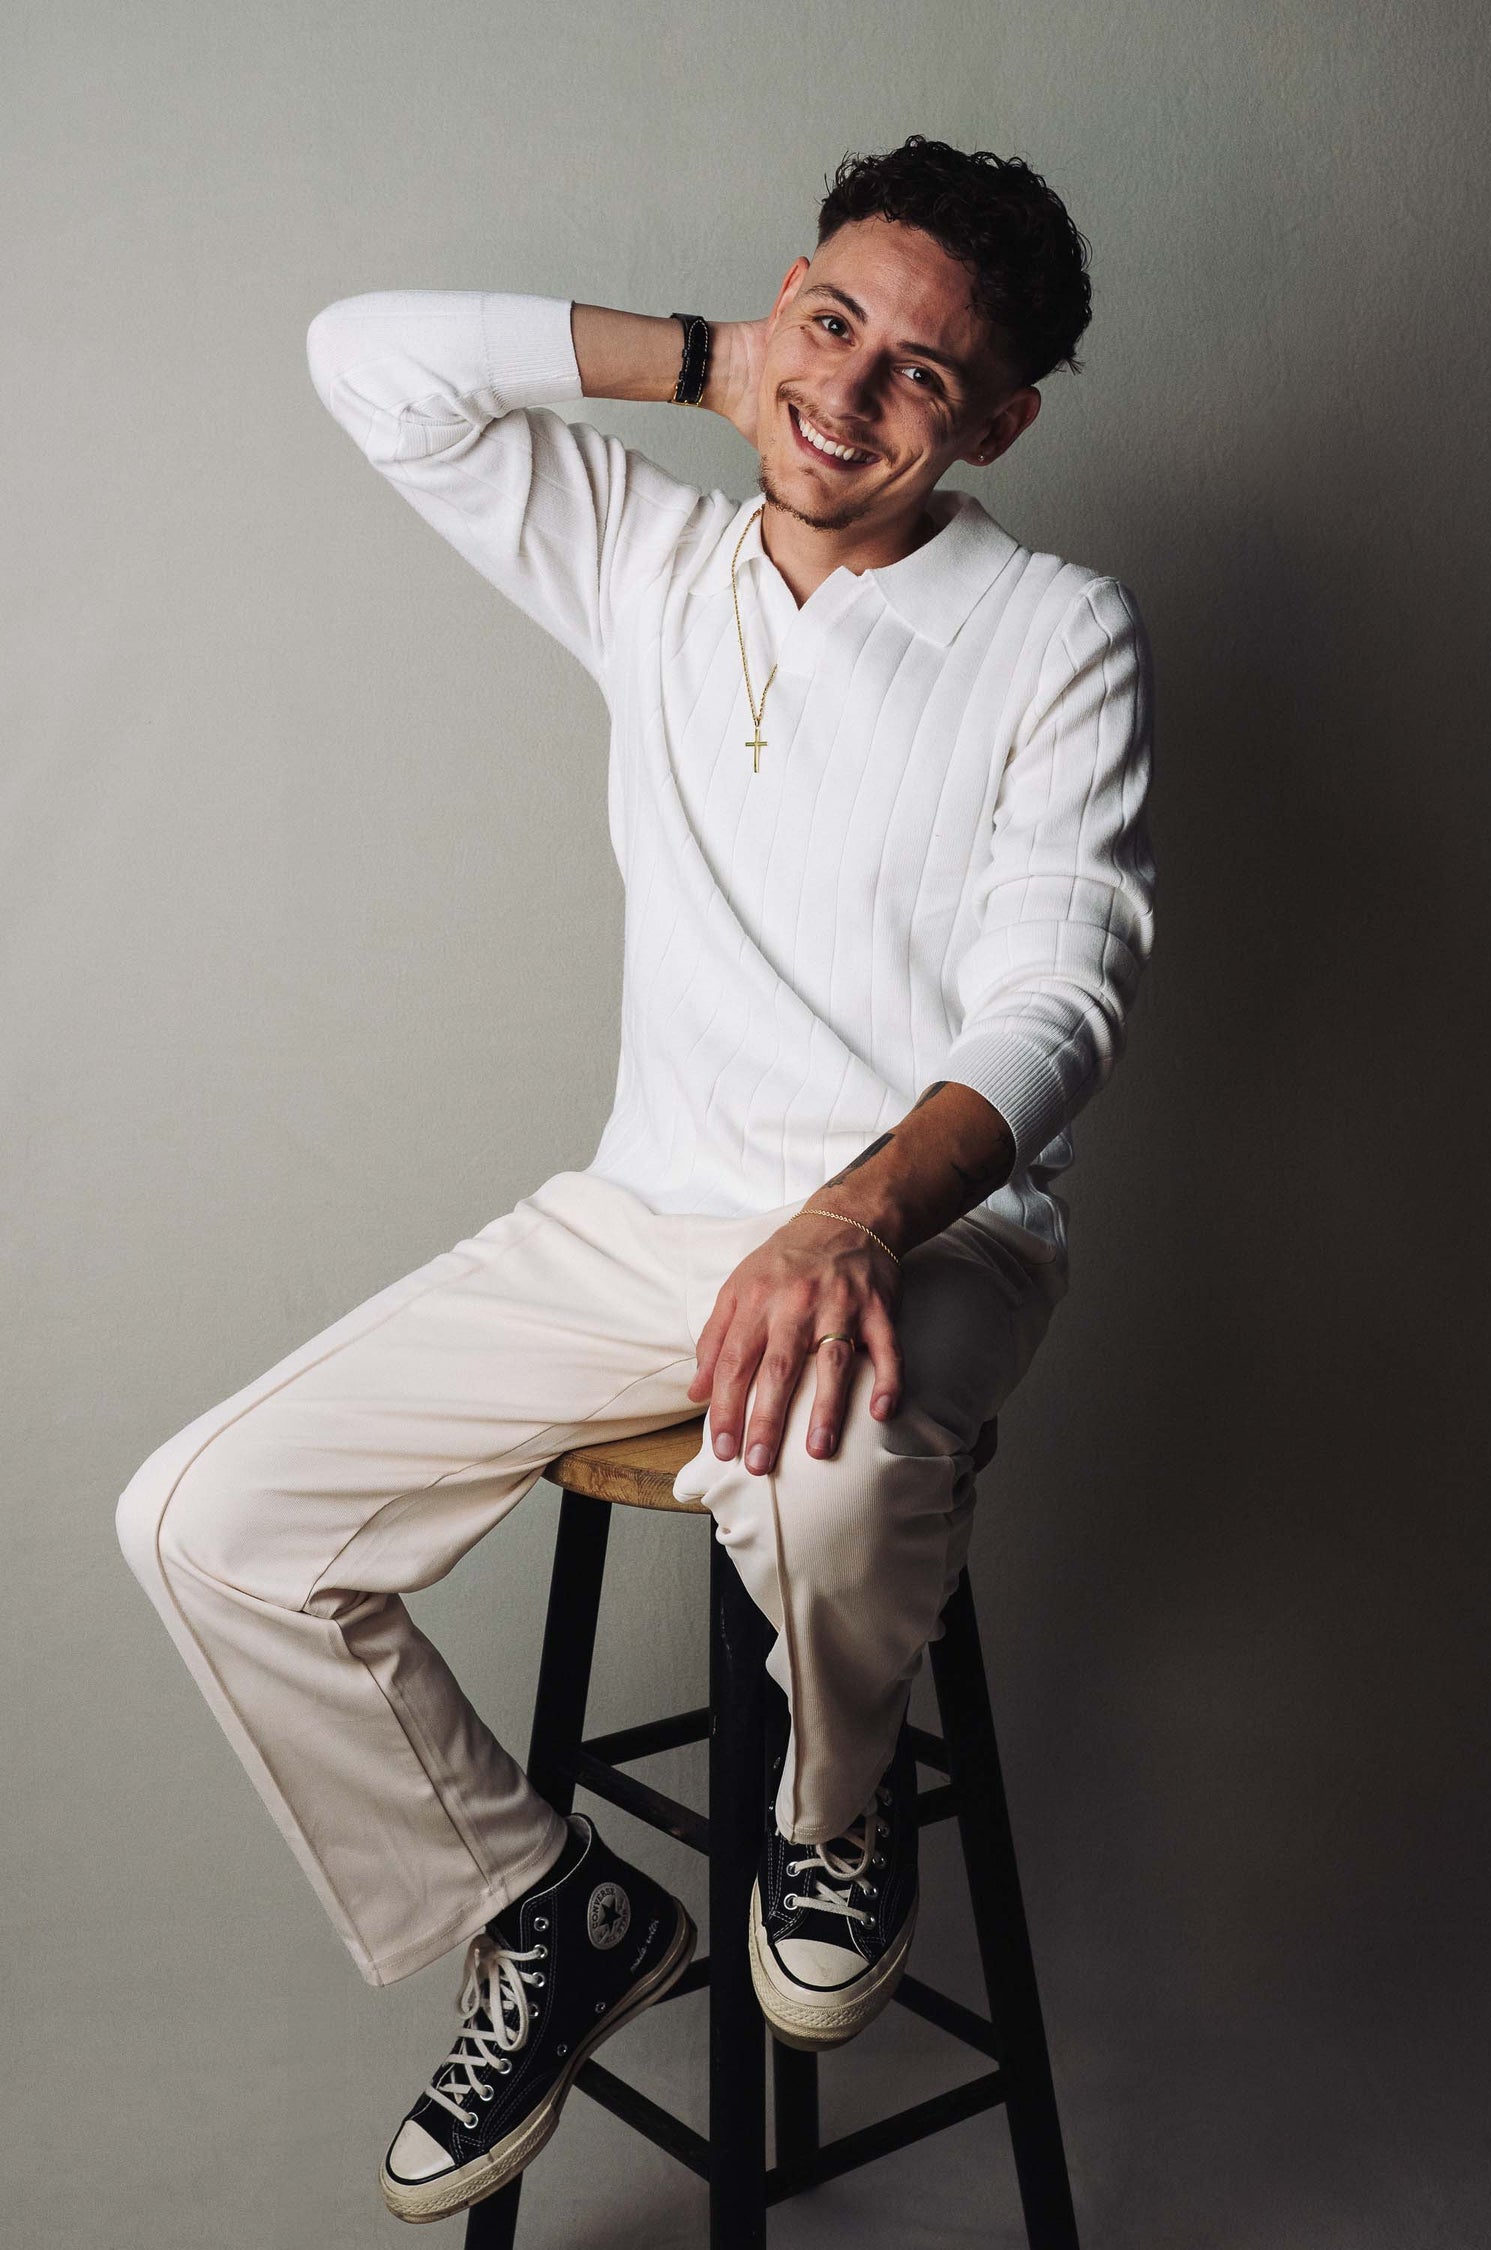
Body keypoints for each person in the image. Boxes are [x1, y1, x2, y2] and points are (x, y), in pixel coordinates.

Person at [116, 133, 1156, 2224]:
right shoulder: (650, 558)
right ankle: (553, 1910)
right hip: (639, 1210)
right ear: (784, 302)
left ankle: (838, 1810)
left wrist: (855, 1218)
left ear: (1007, 422)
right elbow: (369, 361)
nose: (847, 397)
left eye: (921, 377)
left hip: (924, 1230)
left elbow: (1067, 988)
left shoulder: (1054, 629)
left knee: (831, 1467)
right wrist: (709, 361)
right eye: (831, 326)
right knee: (202, 1520)